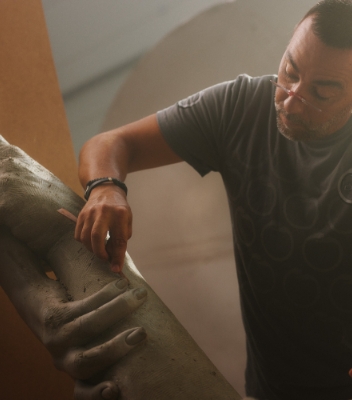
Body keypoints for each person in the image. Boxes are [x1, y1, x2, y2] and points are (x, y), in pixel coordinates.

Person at [74, 1, 352, 399]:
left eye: (321, 94)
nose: (291, 100)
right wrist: (105, 186)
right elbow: (112, 144)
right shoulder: (242, 108)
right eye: (290, 72)